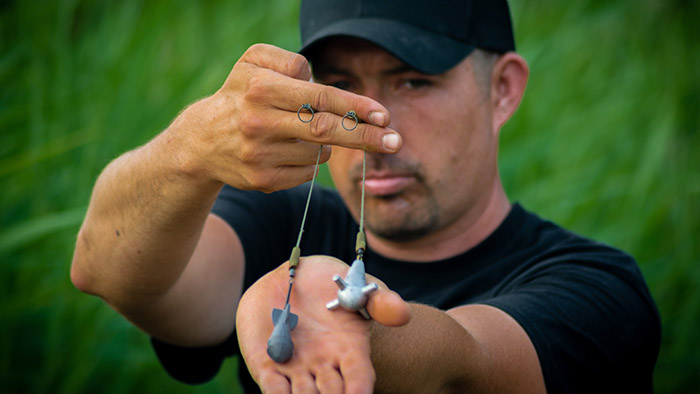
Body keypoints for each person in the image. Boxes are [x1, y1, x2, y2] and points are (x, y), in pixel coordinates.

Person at [70, 0, 661, 393]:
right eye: (341, 85)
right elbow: (106, 271)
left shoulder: (600, 292)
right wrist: (189, 151)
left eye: (413, 80)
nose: (373, 126)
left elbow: (467, 365)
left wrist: (351, 321)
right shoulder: (279, 223)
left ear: (502, 89)